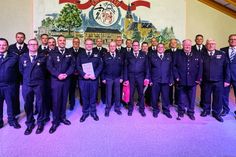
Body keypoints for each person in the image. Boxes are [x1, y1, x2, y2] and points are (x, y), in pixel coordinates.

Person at [47, 35, 75, 133]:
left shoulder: (69, 52)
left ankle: (63, 117)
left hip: (66, 80)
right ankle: (55, 121)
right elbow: (49, 66)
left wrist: (66, 74)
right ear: (57, 42)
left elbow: (72, 65)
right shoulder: (52, 52)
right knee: (56, 100)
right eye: (60, 40)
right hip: (56, 80)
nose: (62, 42)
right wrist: (58, 74)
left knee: (64, 99)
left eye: (64, 40)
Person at [19, 39, 47, 135]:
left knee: (40, 104)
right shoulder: (23, 57)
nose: (33, 46)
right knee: (28, 104)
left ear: (37, 46)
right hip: (27, 84)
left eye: (35, 44)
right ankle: (30, 123)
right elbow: (21, 70)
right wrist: (28, 78)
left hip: (39, 84)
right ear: (28, 46)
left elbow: (45, 70)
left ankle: (40, 123)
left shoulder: (43, 56)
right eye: (31, 44)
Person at [201, 39, 230, 122]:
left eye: (213, 44)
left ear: (215, 45)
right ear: (206, 45)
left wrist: (227, 80)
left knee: (218, 98)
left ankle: (216, 113)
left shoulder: (222, 54)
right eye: (209, 44)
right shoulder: (202, 54)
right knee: (206, 96)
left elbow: (226, 68)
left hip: (219, 81)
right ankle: (206, 110)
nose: (211, 45)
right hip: (206, 80)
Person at [173, 39, 202, 120]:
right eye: (185, 45)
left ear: (191, 45)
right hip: (181, 80)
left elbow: (200, 67)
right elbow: (174, 66)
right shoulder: (178, 54)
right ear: (183, 45)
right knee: (181, 97)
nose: (187, 46)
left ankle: (190, 112)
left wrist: (198, 78)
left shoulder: (197, 54)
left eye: (189, 45)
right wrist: (177, 77)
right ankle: (181, 111)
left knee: (192, 97)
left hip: (193, 80)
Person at [77, 39, 103, 122]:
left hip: (93, 79)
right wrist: (84, 74)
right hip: (83, 79)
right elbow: (77, 66)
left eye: (90, 44)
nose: (89, 45)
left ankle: (93, 112)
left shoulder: (97, 54)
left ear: (92, 45)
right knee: (84, 96)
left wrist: (95, 75)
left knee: (93, 96)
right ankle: (85, 112)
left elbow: (100, 65)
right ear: (85, 45)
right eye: (87, 44)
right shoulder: (80, 54)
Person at [124, 40, 150, 117]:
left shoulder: (143, 54)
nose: (135, 47)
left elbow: (147, 67)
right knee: (131, 94)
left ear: (139, 47)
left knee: (141, 94)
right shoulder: (128, 55)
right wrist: (126, 79)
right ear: (132, 46)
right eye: (134, 45)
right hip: (131, 77)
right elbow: (125, 67)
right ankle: (130, 108)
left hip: (140, 77)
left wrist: (147, 77)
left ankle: (142, 109)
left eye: (137, 45)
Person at [0, 38, 21, 129]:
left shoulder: (14, 57)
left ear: (7, 46)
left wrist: (17, 83)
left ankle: (12, 120)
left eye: (4, 45)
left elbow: (20, 71)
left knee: (11, 104)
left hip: (10, 85)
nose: (2, 47)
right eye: (0, 45)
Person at [149, 43, 173, 118]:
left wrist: (171, 79)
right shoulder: (152, 57)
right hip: (155, 80)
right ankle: (155, 110)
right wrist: (150, 80)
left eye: (161, 47)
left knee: (165, 97)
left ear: (164, 49)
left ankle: (166, 111)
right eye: (158, 47)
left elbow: (171, 69)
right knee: (154, 96)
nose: (160, 48)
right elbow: (148, 69)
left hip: (166, 80)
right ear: (156, 48)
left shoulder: (168, 57)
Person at [8, 32, 29, 116]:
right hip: (14, 73)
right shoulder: (10, 48)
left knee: (27, 93)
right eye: (18, 37)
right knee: (14, 92)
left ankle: (28, 109)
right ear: (16, 38)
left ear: (24, 38)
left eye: (22, 37)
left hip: (25, 72)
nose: (20, 39)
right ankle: (16, 110)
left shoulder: (28, 47)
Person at [102, 41, 124, 117]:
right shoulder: (105, 56)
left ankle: (117, 108)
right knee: (109, 94)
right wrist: (103, 78)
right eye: (111, 46)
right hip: (108, 78)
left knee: (118, 94)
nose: (112, 47)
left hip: (118, 78)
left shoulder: (120, 55)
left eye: (113, 46)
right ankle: (107, 109)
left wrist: (122, 77)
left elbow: (122, 67)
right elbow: (102, 68)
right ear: (109, 47)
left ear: (115, 47)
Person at [221, 34, 236, 116]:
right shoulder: (222, 50)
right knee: (224, 94)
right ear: (228, 40)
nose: (233, 40)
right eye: (231, 39)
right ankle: (225, 109)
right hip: (225, 76)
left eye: (235, 39)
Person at [68, 37, 85, 110]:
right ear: (72, 42)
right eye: (74, 42)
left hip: (81, 73)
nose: (76, 43)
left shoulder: (83, 50)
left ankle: (83, 102)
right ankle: (71, 103)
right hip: (71, 74)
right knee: (71, 89)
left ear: (79, 43)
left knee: (82, 88)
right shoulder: (68, 51)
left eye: (77, 42)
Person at [165, 38, 181, 106]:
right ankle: (170, 102)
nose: (173, 44)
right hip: (168, 73)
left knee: (178, 89)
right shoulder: (166, 51)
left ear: (177, 44)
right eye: (172, 42)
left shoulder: (180, 52)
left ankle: (177, 102)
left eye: (174, 42)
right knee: (169, 88)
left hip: (178, 73)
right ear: (169, 44)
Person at [92, 38, 107, 104]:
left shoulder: (105, 50)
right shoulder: (93, 50)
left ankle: (103, 98)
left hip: (103, 70)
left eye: (100, 41)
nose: (99, 42)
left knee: (103, 85)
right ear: (96, 42)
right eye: (98, 41)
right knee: (95, 85)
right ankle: (95, 99)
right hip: (95, 70)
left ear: (102, 42)